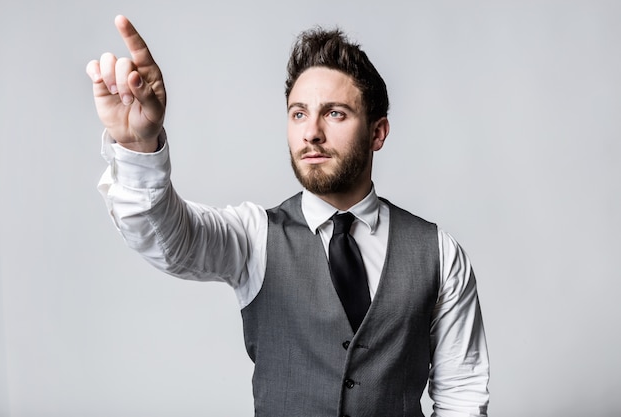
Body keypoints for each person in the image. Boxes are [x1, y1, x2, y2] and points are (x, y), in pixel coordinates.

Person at [87, 15, 490, 417]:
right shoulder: (254, 236)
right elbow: (171, 241)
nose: (311, 132)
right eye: (299, 113)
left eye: (334, 113)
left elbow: (462, 393)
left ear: (377, 133)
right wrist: (139, 147)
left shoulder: (438, 253)